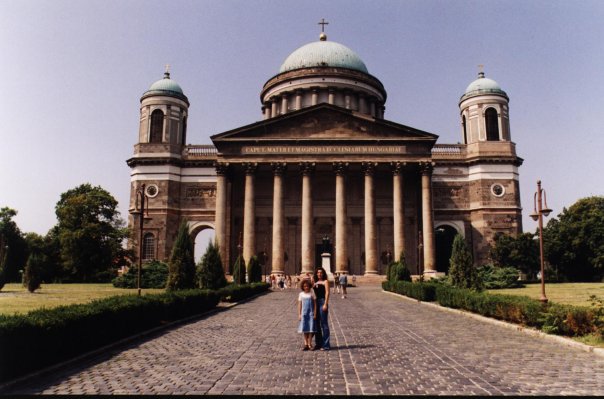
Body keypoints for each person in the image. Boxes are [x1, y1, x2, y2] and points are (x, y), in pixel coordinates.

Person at [313, 267, 331, 351]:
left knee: (324, 324)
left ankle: (326, 344)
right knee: (316, 324)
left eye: (321, 272)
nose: (319, 274)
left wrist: (325, 304)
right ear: (316, 274)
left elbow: (327, 292)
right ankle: (318, 343)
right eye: (318, 272)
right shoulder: (315, 282)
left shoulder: (325, 282)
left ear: (323, 273)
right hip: (315, 303)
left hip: (322, 302)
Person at [297, 279, 317, 351]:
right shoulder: (301, 294)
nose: (306, 287)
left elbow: (315, 304)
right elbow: (299, 305)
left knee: (311, 329)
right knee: (305, 329)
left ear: (309, 286)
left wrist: (315, 313)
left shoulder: (312, 293)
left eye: (307, 286)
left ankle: (309, 343)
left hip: (310, 313)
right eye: (305, 286)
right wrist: (299, 314)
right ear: (303, 287)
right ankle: (306, 343)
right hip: (304, 314)